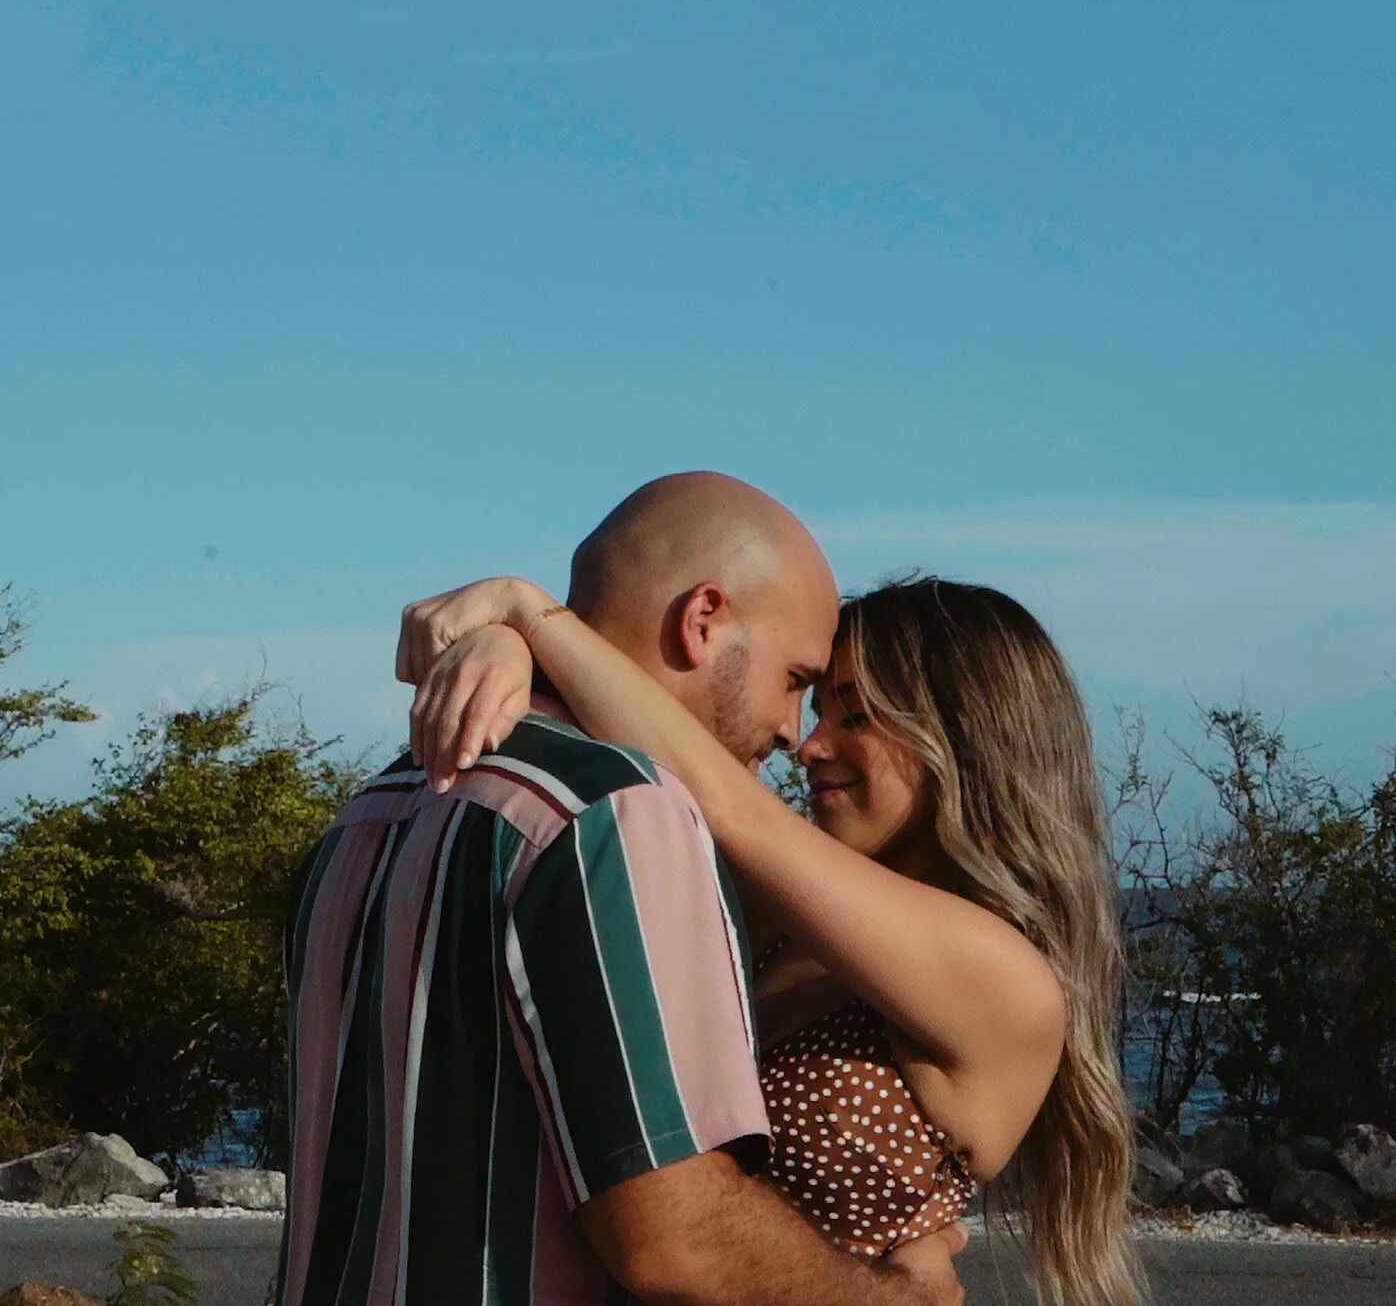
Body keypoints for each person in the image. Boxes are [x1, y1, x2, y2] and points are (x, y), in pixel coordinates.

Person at [276, 473, 967, 1306]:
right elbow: (679, 1242)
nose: (794, 733)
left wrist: (518, 632)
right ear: (702, 619)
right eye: (794, 679)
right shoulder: (619, 811)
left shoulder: (370, 812)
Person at [400, 562, 1143, 1304]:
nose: (809, 745)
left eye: (855, 716)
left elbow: (715, 796)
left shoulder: (1003, 975)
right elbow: (656, 764)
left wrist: (528, 613)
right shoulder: (788, 923)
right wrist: (515, 659)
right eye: (818, 710)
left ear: (965, 736)